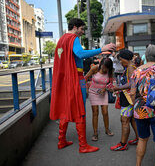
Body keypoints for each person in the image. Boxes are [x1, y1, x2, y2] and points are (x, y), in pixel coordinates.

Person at [49, 18, 116, 153]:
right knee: (80, 108)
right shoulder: (73, 38)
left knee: (65, 108)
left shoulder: (61, 40)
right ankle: (83, 145)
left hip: (65, 79)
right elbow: (80, 53)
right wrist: (101, 49)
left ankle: (61, 140)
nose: (83, 31)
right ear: (75, 27)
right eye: (81, 28)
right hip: (76, 77)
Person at [108, 49, 139, 151]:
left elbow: (132, 84)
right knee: (132, 120)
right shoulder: (130, 67)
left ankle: (122, 144)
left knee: (124, 120)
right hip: (128, 98)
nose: (120, 62)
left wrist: (117, 88)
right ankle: (139, 139)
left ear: (126, 59)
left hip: (128, 99)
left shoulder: (130, 68)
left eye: (121, 60)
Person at [85, 58, 114, 141]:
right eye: (102, 66)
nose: (103, 69)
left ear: (109, 67)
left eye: (105, 68)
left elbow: (110, 83)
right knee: (95, 112)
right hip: (93, 92)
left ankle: (107, 129)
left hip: (103, 93)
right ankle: (95, 132)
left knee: (105, 112)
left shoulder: (110, 72)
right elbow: (85, 78)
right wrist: (86, 89)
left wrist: (105, 89)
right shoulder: (95, 68)